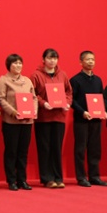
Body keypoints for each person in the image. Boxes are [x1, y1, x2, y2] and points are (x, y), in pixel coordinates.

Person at [31, 48, 72, 189]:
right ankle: (47, 178)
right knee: (45, 148)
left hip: (59, 117)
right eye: (49, 58)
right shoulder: (36, 75)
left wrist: (67, 103)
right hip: (43, 118)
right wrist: (43, 103)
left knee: (57, 148)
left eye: (55, 58)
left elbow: (69, 92)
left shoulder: (63, 75)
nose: (52, 61)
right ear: (43, 60)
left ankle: (58, 178)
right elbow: (32, 94)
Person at [0, 54, 36, 191]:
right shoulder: (4, 80)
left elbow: (34, 98)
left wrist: (34, 111)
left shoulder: (27, 81)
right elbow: (0, 99)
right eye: (15, 63)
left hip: (27, 122)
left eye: (20, 63)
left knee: (23, 152)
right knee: (11, 152)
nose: (18, 65)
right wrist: (13, 112)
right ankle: (11, 180)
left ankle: (22, 180)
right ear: (9, 65)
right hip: (11, 122)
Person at [70, 50, 107, 188]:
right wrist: (83, 112)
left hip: (96, 119)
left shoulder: (98, 80)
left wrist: (104, 111)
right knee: (80, 149)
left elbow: (101, 98)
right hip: (81, 119)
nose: (91, 62)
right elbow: (71, 100)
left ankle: (94, 176)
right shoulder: (75, 80)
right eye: (87, 59)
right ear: (81, 62)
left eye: (93, 59)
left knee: (95, 149)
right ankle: (81, 177)